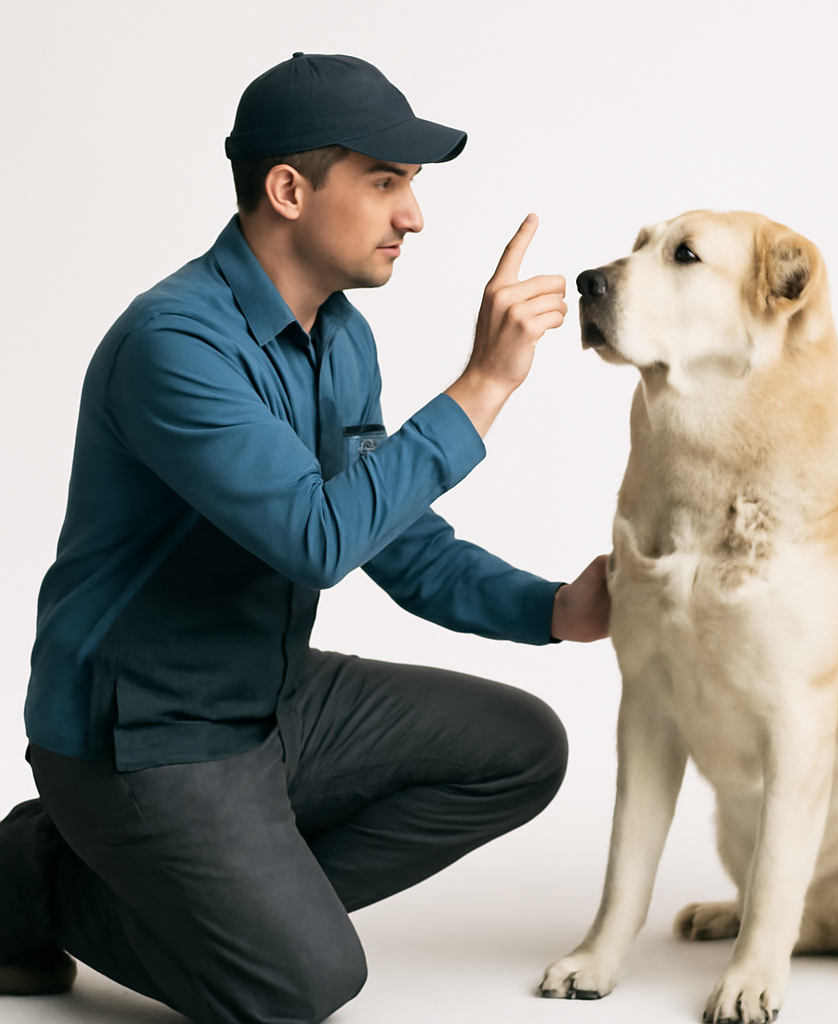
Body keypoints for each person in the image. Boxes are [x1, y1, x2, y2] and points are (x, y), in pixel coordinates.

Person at [0, 53, 609, 1024]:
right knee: (299, 985)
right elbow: (317, 539)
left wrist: (551, 609)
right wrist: (483, 384)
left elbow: (390, 535)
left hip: (269, 695)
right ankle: (33, 875)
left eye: (409, 185)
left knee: (521, 747)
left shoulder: (340, 337)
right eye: (383, 182)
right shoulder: (174, 345)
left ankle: (230, 889)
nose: (413, 215)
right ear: (288, 189)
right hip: (141, 734)